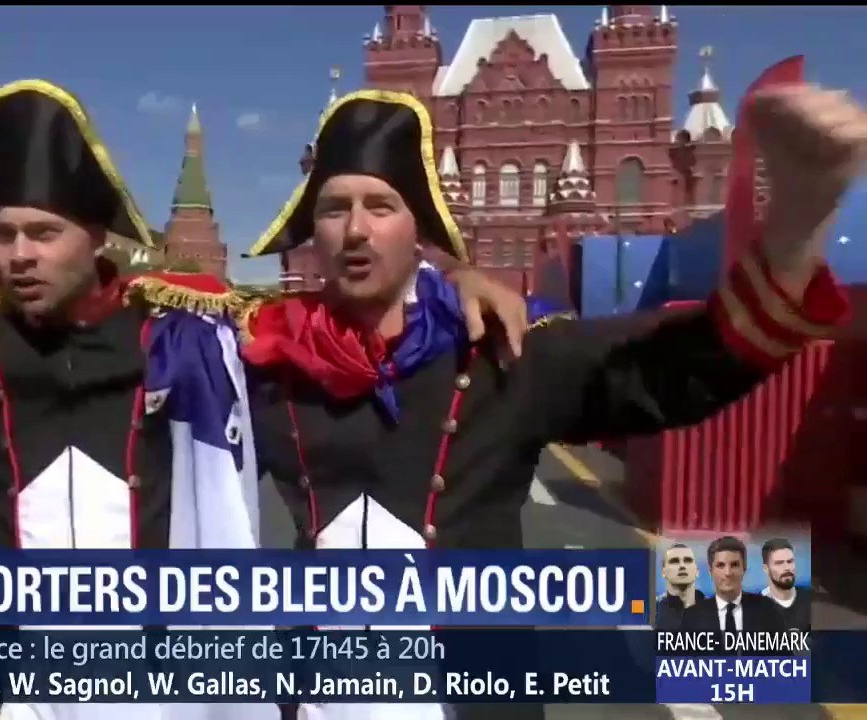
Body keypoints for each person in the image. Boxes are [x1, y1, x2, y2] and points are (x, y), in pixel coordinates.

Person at [0, 79, 531, 720]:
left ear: (98, 236)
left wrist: (455, 275)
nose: (18, 255)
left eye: (43, 233)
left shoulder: (173, 335)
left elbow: (324, 326)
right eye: (3, 235)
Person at [236, 80, 860, 720]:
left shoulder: (501, 353)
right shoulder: (266, 356)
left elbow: (684, 368)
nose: (357, 230)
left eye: (381, 205)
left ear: (418, 227)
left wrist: (800, 217)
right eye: (336, 207)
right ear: (313, 228)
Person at [681, 536, 785, 634]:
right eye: (720, 565)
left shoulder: (767, 610)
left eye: (734, 565)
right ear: (710, 571)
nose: (728, 573)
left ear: (744, 569)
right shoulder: (693, 616)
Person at [760, 537, 811, 631]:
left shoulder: (811, 601)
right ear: (766, 568)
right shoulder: (754, 609)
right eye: (779, 563)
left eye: (790, 561)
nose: (787, 567)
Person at [655, 543, 706, 630]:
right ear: (664, 572)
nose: (682, 566)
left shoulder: (715, 610)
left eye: (687, 560)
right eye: (674, 561)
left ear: (697, 571)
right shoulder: (653, 612)